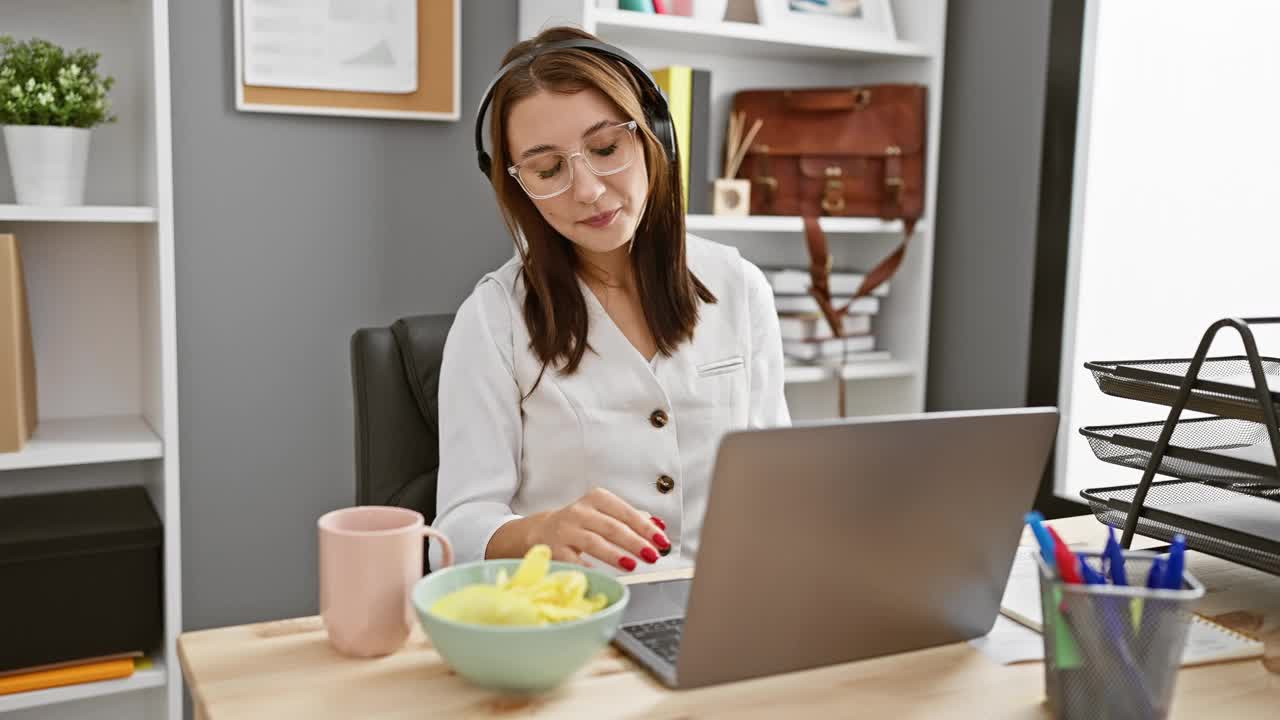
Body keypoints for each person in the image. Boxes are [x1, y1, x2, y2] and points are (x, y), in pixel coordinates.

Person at [429, 26, 789, 574]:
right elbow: (452, 535)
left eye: (605, 148)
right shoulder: (493, 318)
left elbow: (780, 484)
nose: (588, 190)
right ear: (517, 184)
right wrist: (540, 532)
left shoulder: (741, 287)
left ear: (653, 136)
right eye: (548, 169)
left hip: (729, 613)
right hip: (574, 625)